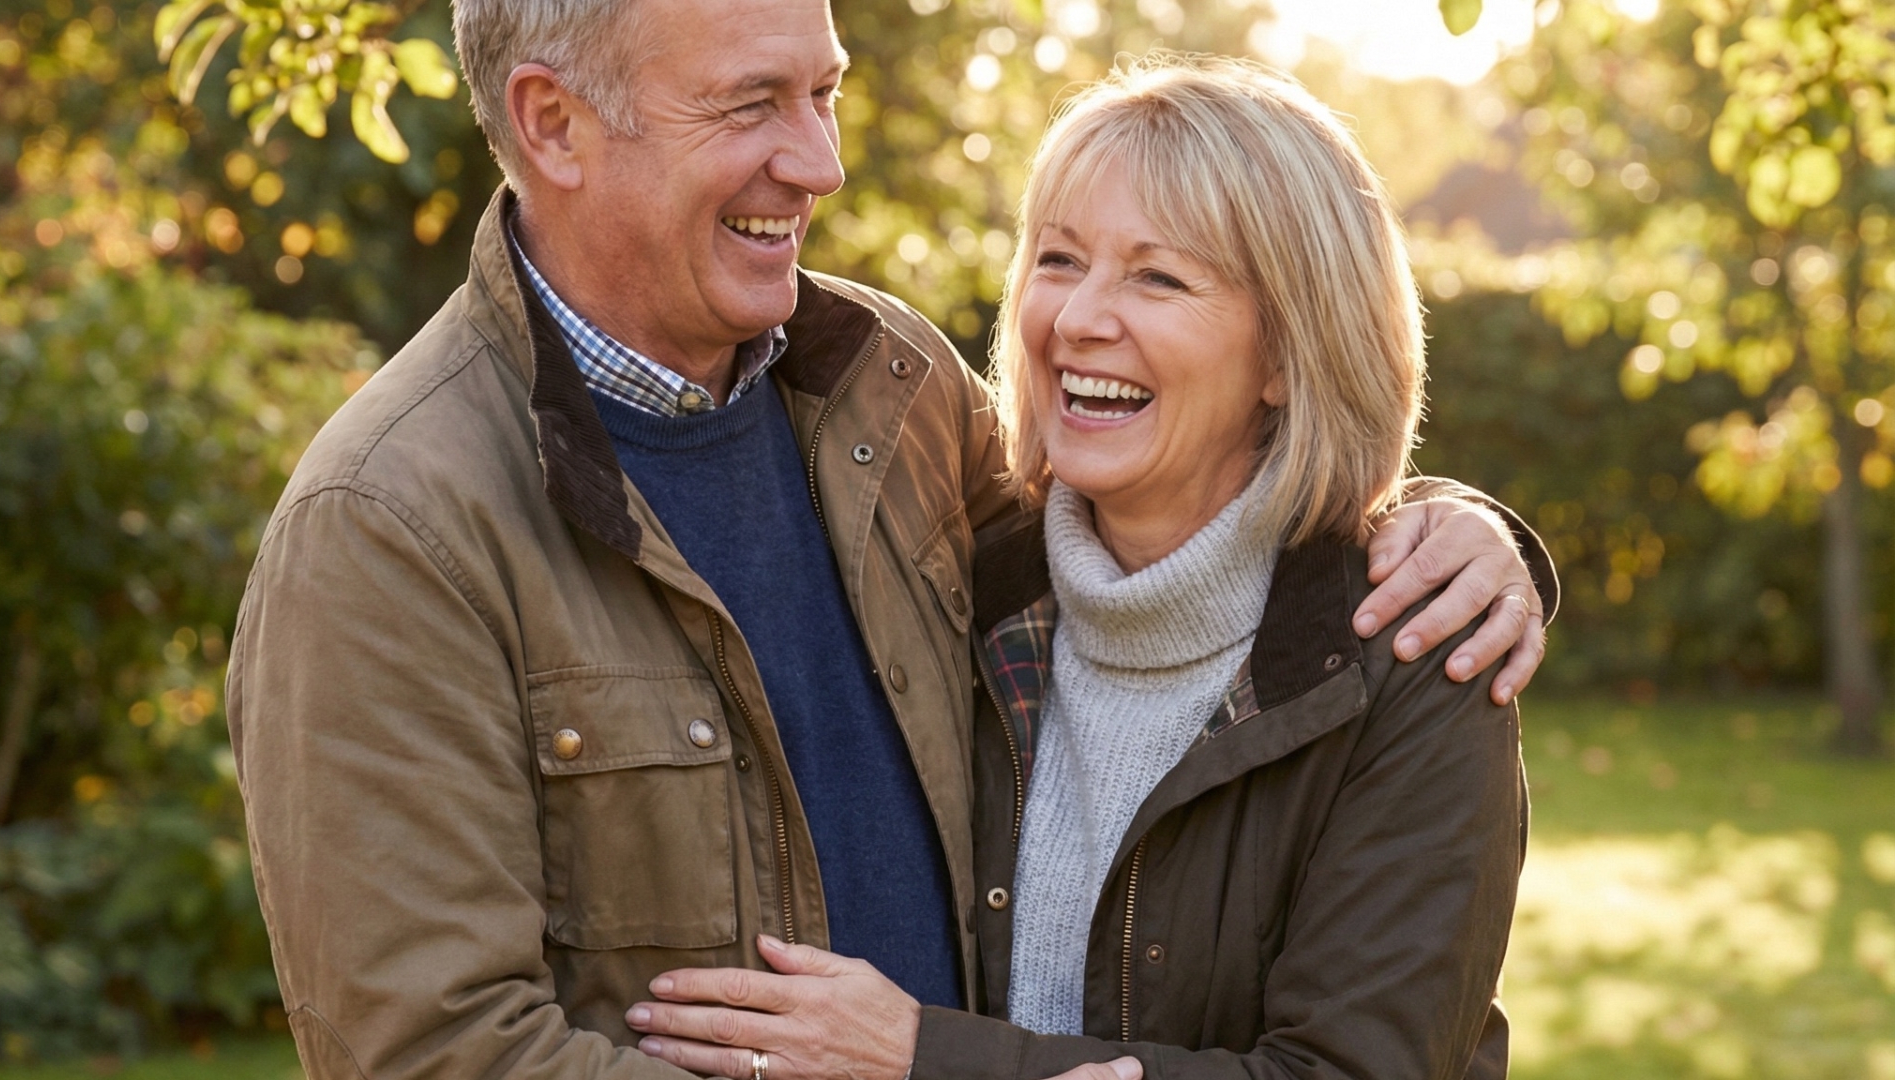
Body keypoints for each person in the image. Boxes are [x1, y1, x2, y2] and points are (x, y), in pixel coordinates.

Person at [225, 2, 1549, 1076]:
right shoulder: (392, 529)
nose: (819, 163)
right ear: (555, 124)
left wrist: (1457, 526)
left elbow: (1201, 524)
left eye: (824, 94)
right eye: (751, 103)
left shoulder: (888, 393)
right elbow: (440, 1053)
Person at [623, 54, 1528, 1080]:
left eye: (1159, 276)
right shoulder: (964, 585)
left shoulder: (1415, 659)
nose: (1080, 319)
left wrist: (925, 1060)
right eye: (1059, 261)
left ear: (1287, 355)